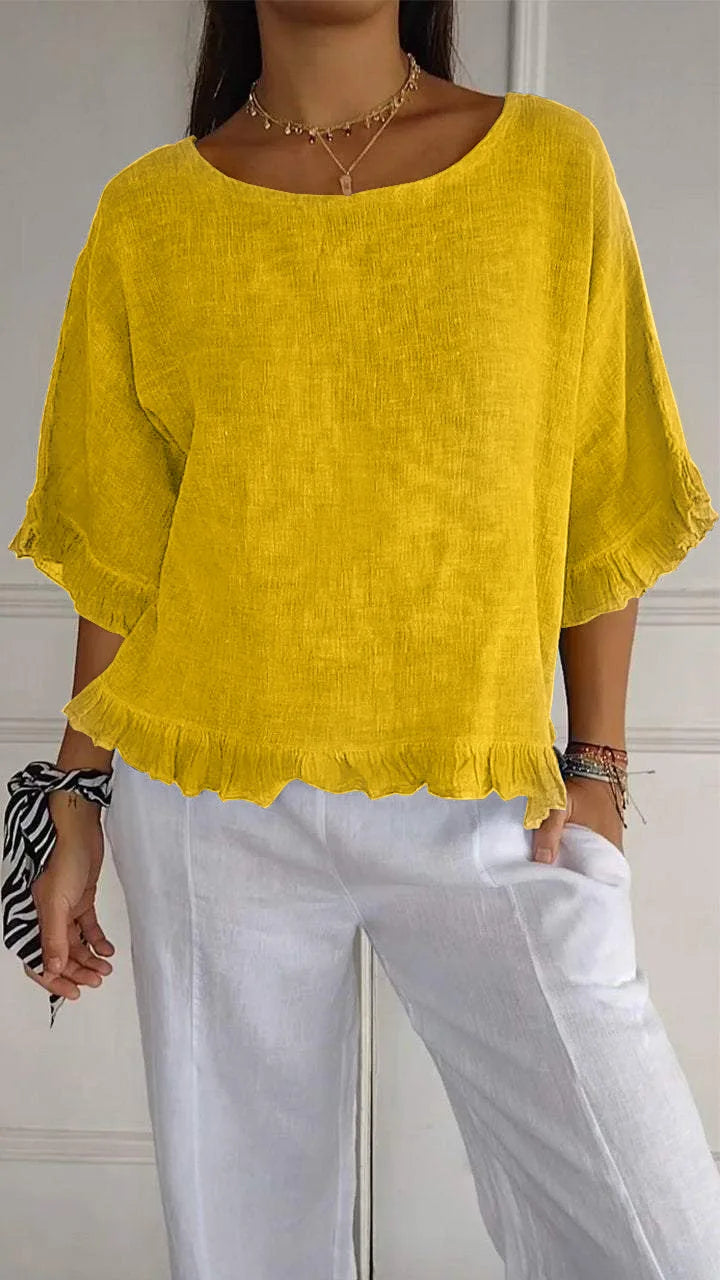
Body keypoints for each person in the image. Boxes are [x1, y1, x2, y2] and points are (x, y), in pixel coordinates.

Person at [7, 1, 720, 1277]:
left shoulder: (549, 167)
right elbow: (119, 550)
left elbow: (601, 484)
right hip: (209, 802)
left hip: (488, 794)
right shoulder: (149, 215)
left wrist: (600, 766)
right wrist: (75, 796)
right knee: (245, 1248)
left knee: (659, 1234)